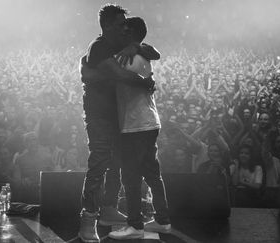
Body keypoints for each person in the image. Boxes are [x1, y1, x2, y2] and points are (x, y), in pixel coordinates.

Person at [78, 4, 155, 242]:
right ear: (108, 25)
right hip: (99, 115)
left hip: (118, 114)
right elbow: (119, 74)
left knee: (116, 163)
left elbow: (153, 52)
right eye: (121, 23)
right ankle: (88, 220)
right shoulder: (99, 46)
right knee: (100, 162)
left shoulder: (119, 45)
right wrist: (144, 82)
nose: (125, 27)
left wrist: (135, 45)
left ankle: (108, 209)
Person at [106, 16, 171, 240]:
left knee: (131, 175)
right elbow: (152, 53)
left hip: (136, 125)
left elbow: (113, 73)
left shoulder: (126, 56)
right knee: (153, 174)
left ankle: (136, 225)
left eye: (125, 30)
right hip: (148, 121)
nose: (120, 33)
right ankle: (163, 221)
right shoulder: (140, 52)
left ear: (131, 33)